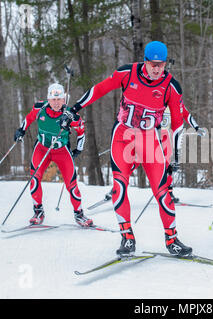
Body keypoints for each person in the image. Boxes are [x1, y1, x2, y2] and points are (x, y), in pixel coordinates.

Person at [60, 41, 193, 256]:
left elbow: (178, 123)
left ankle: (172, 239)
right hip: (123, 137)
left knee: (163, 192)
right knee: (119, 188)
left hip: (150, 141)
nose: (157, 69)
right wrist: (74, 108)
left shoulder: (171, 86)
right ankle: (127, 237)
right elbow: (98, 89)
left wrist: (174, 156)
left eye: (161, 65)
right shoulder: (127, 73)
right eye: (153, 64)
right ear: (145, 61)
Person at [14, 83, 93, 227]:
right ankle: (38, 212)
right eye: (53, 99)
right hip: (42, 149)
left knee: (71, 184)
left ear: (64, 100)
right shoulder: (40, 108)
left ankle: (79, 214)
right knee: (34, 179)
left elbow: (81, 131)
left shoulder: (70, 115)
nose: (56, 103)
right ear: (48, 99)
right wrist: (21, 130)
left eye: (59, 99)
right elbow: (29, 118)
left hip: (61, 151)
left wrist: (78, 149)